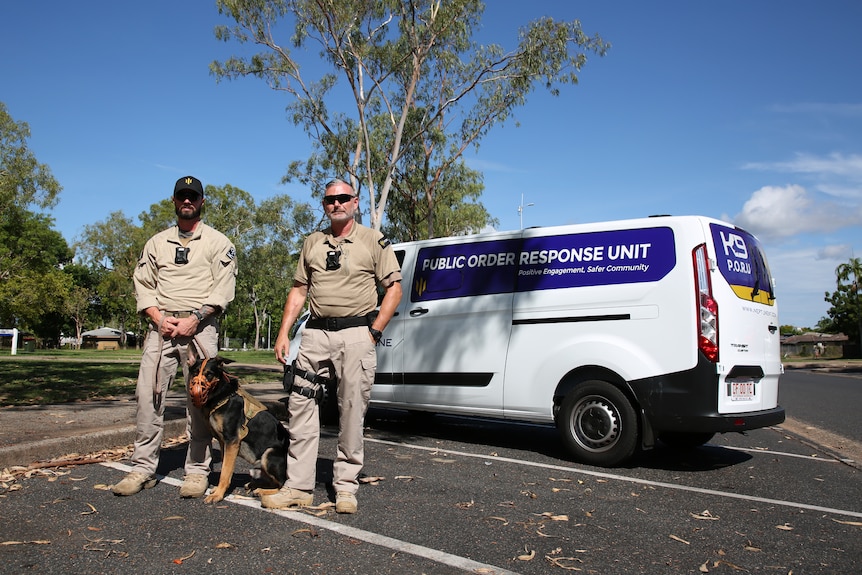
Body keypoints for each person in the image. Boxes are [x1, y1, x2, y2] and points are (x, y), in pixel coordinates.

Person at [263, 178, 402, 514]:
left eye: (343, 198)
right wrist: (283, 334)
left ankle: (345, 488)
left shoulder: (373, 241)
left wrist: (374, 331)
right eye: (329, 200)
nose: (336, 204)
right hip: (314, 335)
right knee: (300, 409)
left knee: (351, 411)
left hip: (357, 334)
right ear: (324, 205)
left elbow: (394, 289)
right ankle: (298, 487)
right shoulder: (312, 242)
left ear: (355, 203)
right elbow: (298, 291)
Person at [112, 176, 237, 498]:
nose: (187, 201)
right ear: (174, 200)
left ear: (201, 202)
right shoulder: (156, 243)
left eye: (192, 197)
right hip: (161, 329)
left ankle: (197, 471)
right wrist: (159, 318)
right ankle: (142, 467)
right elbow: (144, 284)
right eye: (182, 196)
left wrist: (195, 319)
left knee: (200, 400)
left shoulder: (218, 242)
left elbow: (222, 288)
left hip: (201, 328)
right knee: (147, 399)